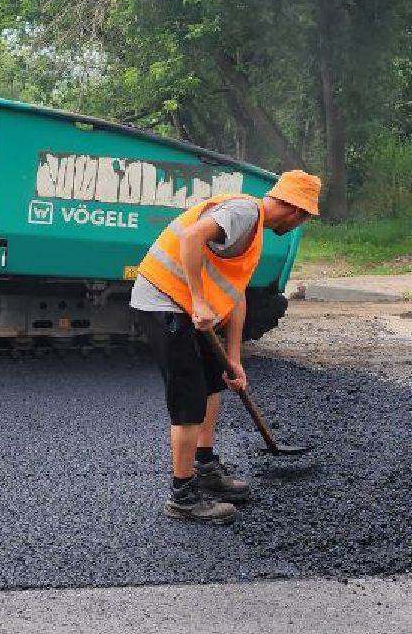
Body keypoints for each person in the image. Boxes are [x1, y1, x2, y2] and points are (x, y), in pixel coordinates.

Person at [130, 170, 322, 524]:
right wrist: (200, 301)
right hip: (163, 301)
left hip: (185, 306)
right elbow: (191, 237)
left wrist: (234, 358)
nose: (299, 225)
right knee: (188, 396)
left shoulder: (255, 230)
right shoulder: (243, 212)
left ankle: (205, 468)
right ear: (297, 211)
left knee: (213, 381)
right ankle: (182, 496)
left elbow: (236, 295)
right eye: (304, 219)